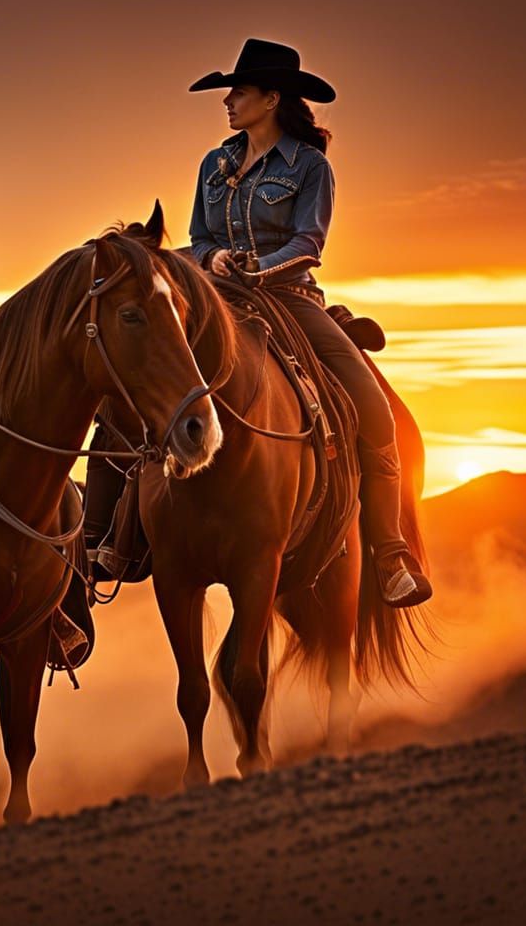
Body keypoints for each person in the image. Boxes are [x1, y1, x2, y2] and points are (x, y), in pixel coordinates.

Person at [183, 37, 431, 608]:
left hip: (290, 297)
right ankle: (111, 536)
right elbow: (200, 236)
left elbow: (307, 244)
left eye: (238, 92)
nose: (227, 102)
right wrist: (212, 261)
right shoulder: (213, 165)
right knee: (140, 368)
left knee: (373, 411)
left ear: (271, 99)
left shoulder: (311, 168)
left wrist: (254, 271)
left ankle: (390, 554)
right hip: (217, 294)